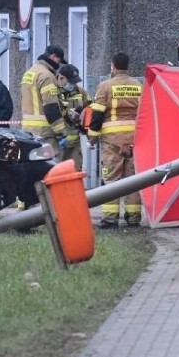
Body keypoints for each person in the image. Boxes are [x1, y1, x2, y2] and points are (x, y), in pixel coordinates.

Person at [87, 52, 143, 228]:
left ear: (112, 66)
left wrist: (92, 137)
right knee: (133, 179)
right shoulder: (138, 85)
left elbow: (97, 115)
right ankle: (133, 217)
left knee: (111, 178)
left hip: (112, 141)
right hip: (135, 139)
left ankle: (110, 218)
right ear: (128, 66)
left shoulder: (105, 86)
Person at [20, 44, 69, 155]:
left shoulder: (29, 73)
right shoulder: (46, 76)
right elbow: (51, 107)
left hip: (28, 130)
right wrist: (61, 133)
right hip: (44, 133)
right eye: (59, 61)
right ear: (54, 57)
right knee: (49, 167)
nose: (59, 65)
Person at [56, 63, 91, 167]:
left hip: (75, 143)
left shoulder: (80, 91)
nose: (73, 84)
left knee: (75, 171)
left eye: (75, 82)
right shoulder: (53, 92)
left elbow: (90, 107)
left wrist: (82, 115)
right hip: (58, 141)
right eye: (71, 81)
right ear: (61, 78)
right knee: (57, 173)